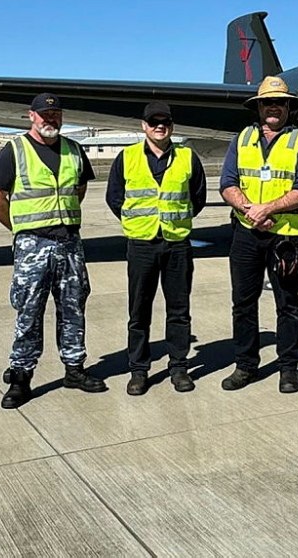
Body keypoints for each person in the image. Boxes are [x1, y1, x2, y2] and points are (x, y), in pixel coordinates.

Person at [0, 92, 106, 409]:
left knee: (73, 308)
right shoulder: (15, 151)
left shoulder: (74, 150)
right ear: (31, 116)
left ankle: (74, 370)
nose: (50, 119)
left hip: (69, 243)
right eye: (44, 114)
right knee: (29, 312)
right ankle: (21, 378)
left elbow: (79, 188)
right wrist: (20, 229)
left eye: (55, 114)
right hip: (32, 244)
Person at [218, 75, 298, 393]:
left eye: (280, 102)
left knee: (287, 303)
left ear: (289, 107)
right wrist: (251, 209)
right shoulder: (242, 139)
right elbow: (227, 183)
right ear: (258, 107)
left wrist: (268, 209)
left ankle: (289, 368)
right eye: (267, 102)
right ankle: (245, 366)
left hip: (285, 237)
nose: (273, 107)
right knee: (243, 303)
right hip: (247, 233)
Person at [105, 101, 209, 396]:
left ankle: (178, 367)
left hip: (177, 244)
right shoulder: (126, 158)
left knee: (179, 311)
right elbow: (115, 197)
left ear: (172, 126)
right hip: (141, 244)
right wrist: (137, 222)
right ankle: (138, 370)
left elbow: (197, 198)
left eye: (165, 122)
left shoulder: (188, 158)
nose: (159, 126)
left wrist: (173, 221)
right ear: (144, 126)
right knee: (139, 312)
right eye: (153, 122)